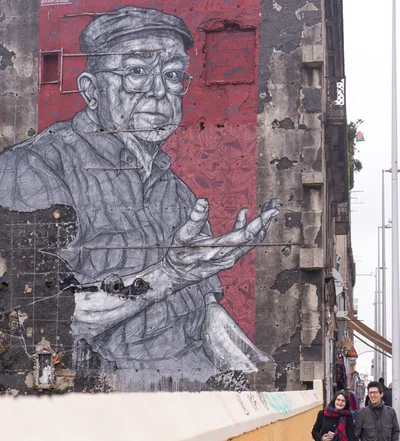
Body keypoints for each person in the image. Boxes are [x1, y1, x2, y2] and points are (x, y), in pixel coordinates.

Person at [0, 6, 279, 389]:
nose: (159, 93)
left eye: (173, 76)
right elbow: (42, 315)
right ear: (91, 90)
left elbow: (206, 320)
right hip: (99, 410)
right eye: (135, 72)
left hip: (194, 407)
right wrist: (172, 273)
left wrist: (265, 388)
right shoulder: (33, 167)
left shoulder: (178, 193)